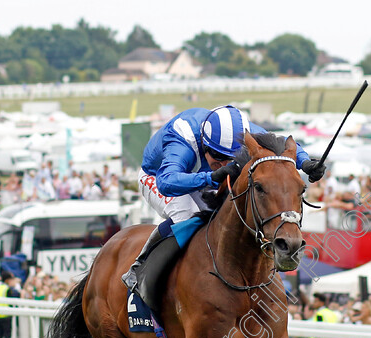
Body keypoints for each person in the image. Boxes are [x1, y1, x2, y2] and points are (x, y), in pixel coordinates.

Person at [121, 105, 324, 291]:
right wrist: (210, 176)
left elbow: (284, 144)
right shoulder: (182, 139)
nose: (224, 164)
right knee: (189, 216)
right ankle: (140, 268)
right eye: (218, 157)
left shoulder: (243, 131)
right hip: (159, 177)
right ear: (204, 144)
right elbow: (167, 182)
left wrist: (306, 163)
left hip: (200, 176)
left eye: (230, 158)